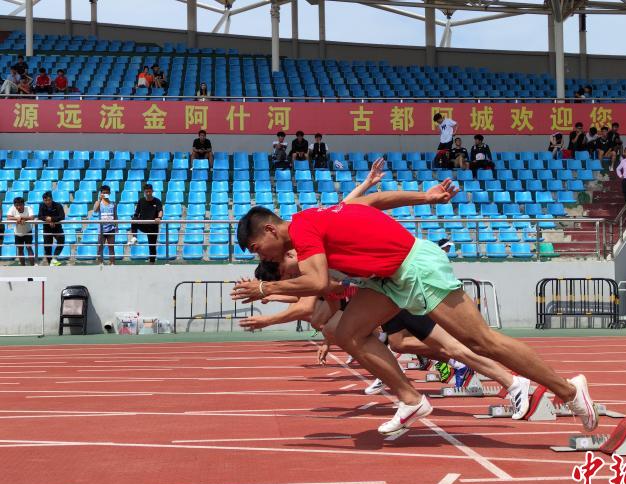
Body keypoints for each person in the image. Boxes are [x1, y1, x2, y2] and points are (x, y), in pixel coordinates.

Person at [231, 158, 598, 436]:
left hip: (413, 267)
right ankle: (412, 400)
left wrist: (266, 288)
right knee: (347, 334)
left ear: (269, 229)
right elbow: (374, 200)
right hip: (387, 280)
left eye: (255, 247)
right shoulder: (313, 220)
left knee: (480, 340)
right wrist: (425, 196)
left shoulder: (303, 229)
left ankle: (569, 390)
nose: (258, 255)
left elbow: (316, 282)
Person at [128, 184, 163, 265]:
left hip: (153, 226)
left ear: (152, 191)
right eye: (146, 192)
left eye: (149, 191)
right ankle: (134, 238)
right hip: (143, 224)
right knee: (134, 220)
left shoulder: (157, 201)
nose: (148, 193)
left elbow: (160, 211)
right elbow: (136, 213)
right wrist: (135, 218)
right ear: (144, 192)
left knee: (152, 245)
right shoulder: (141, 201)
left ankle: (152, 262)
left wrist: (159, 218)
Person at [38, 191, 65, 266]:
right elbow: (40, 216)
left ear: (52, 199)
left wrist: (52, 219)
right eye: (45, 200)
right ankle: (50, 263)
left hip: (57, 227)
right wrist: (47, 218)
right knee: (47, 246)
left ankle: (54, 258)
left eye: (49, 200)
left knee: (61, 240)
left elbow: (62, 216)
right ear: (43, 200)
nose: (47, 202)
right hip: (47, 228)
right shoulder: (41, 205)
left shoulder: (58, 205)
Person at [6, 196, 35, 266]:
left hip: (28, 231)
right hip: (18, 233)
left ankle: (33, 266)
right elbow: (8, 217)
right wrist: (17, 218)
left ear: (23, 204)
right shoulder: (12, 208)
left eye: (20, 205)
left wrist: (21, 218)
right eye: (16, 205)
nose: (18, 207)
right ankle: (23, 267)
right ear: (14, 205)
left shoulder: (28, 208)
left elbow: (32, 217)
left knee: (29, 248)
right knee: (20, 249)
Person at [93, 185, 116, 265]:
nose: (105, 194)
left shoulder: (113, 204)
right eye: (103, 192)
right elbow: (95, 210)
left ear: (109, 193)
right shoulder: (98, 203)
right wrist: (99, 200)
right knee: (100, 247)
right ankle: (100, 263)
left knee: (111, 247)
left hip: (111, 228)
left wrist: (116, 226)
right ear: (101, 193)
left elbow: (115, 216)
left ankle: (112, 263)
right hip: (101, 229)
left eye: (107, 192)